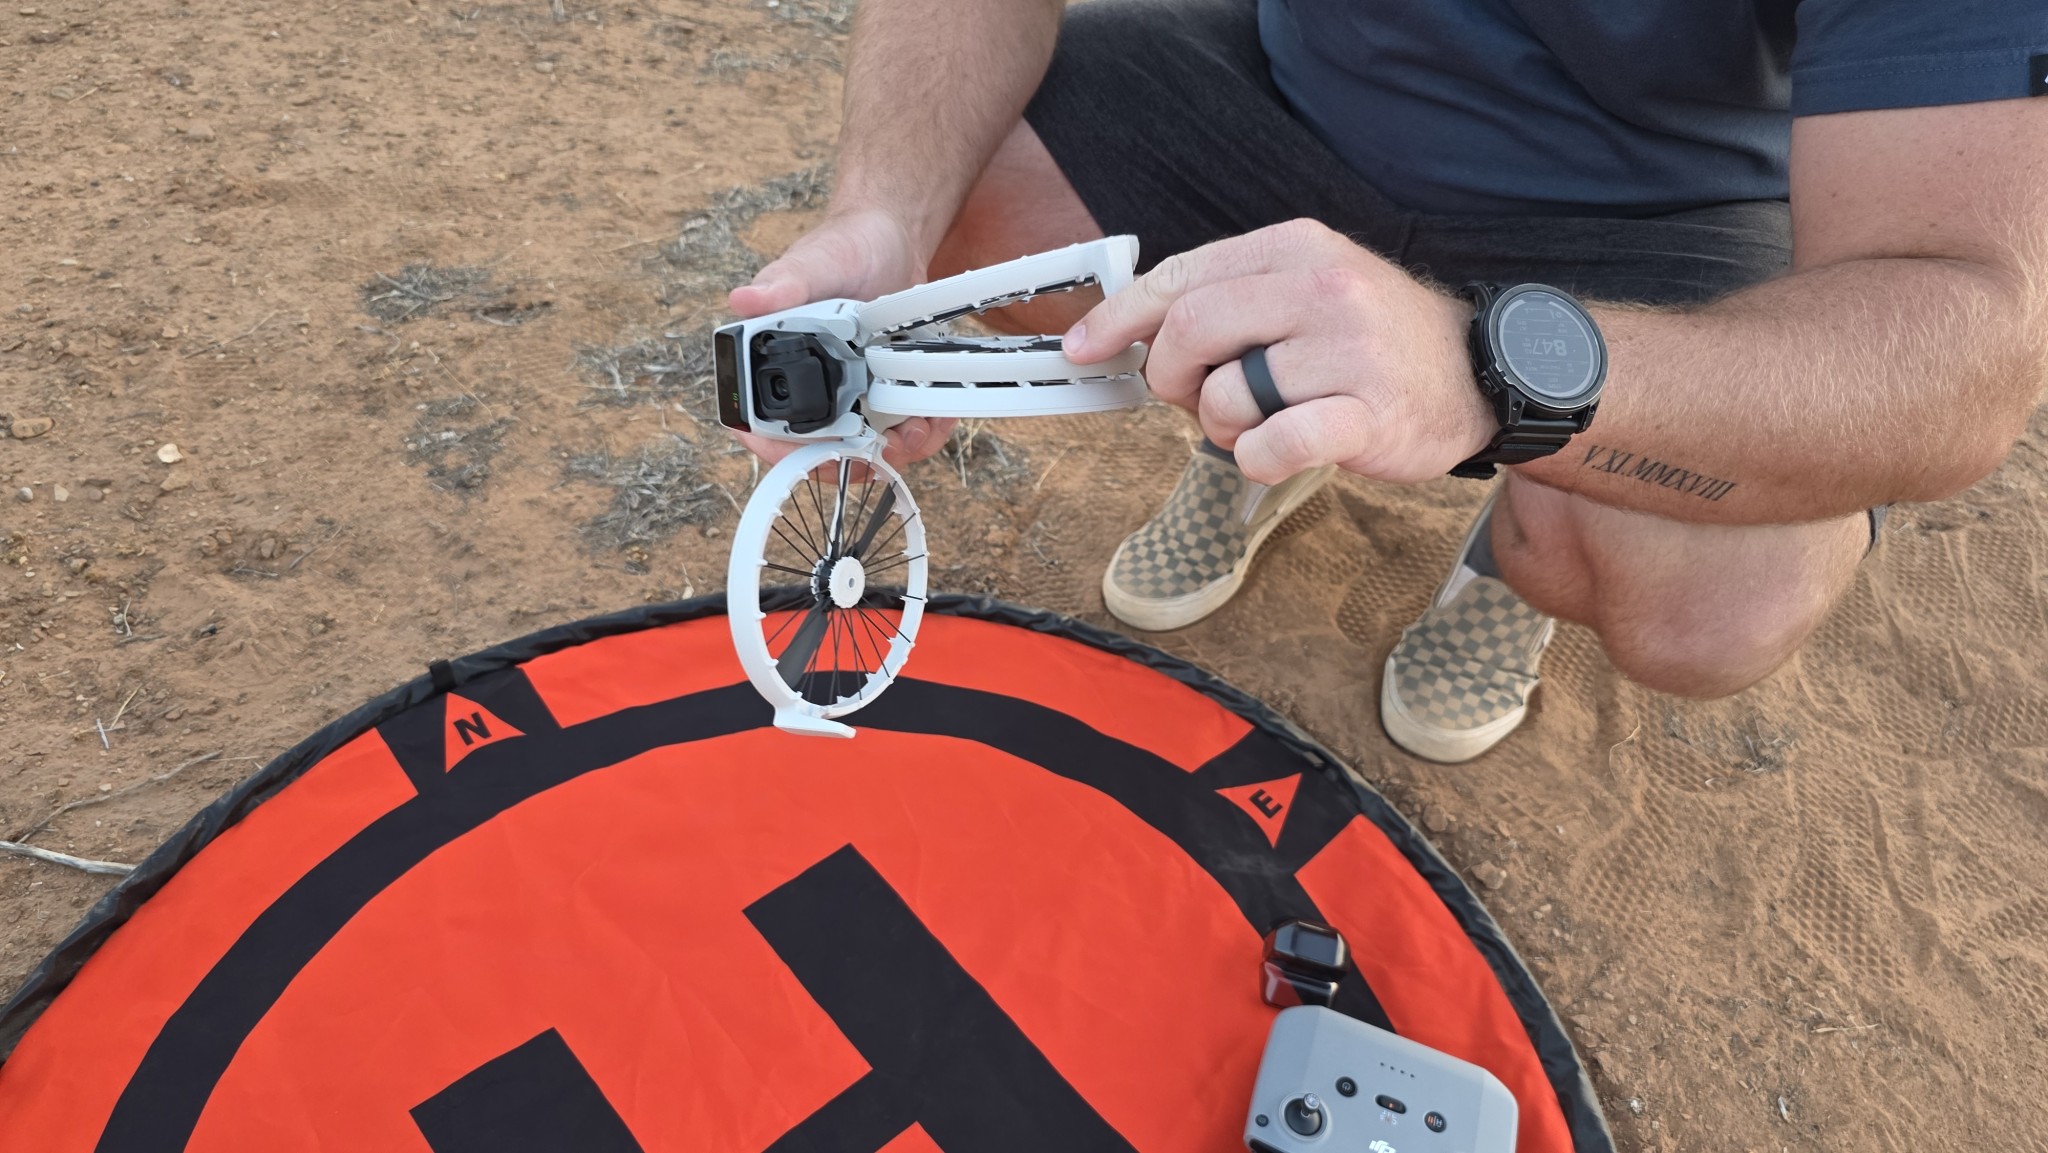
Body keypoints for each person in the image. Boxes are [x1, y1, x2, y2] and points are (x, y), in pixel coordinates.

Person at [726, 0, 2048, 762]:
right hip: (1291, 105)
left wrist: (1489, 377)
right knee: (972, 209)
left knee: (1712, 605)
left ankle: (1519, 516)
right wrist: (887, 217)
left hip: (1662, 209)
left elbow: (1968, 338)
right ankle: (1266, 418)